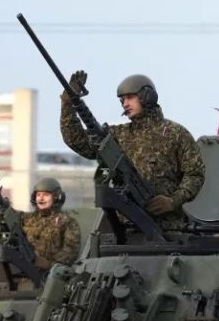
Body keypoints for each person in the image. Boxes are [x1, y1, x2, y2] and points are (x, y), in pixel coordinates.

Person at [59, 72, 204, 230]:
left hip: (168, 230)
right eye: (122, 100)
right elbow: (78, 141)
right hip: (127, 230)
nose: (125, 104)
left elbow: (195, 173)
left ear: (147, 96)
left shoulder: (175, 134)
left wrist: (172, 201)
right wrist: (68, 105)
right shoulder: (117, 136)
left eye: (130, 97)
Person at [0, 177, 81, 270]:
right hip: (22, 271)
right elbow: (4, 218)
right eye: (38, 195)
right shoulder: (26, 218)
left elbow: (70, 252)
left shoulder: (67, 222)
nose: (41, 198)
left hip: (48, 277)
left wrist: (50, 265)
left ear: (57, 197)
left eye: (46, 194)